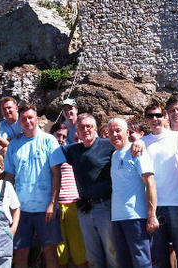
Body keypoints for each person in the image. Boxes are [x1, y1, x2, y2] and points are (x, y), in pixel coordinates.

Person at [3, 103, 65, 268]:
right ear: (20, 122)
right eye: (23, 119)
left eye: (30, 117)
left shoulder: (49, 141)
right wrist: (6, 204)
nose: (27, 121)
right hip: (20, 209)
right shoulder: (13, 145)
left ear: (37, 119)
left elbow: (57, 174)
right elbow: (8, 176)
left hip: (46, 208)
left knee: (50, 251)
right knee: (20, 252)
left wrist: (53, 203)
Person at [60, 113, 118, 267]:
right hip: (85, 209)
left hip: (106, 206)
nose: (85, 130)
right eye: (81, 127)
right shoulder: (72, 150)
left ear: (96, 128)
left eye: (89, 126)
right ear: (77, 131)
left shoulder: (108, 145)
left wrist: (139, 143)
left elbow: (126, 144)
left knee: (112, 252)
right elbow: (50, 150)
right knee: (92, 255)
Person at [142, 100, 178, 268]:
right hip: (153, 206)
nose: (155, 119)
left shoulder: (177, 137)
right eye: (150, 116)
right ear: (146, 119)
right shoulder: (142, 142)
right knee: (159, 256)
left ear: (165, 117)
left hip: (176, 203)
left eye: (158, 115)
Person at [108, 118, 158, 268]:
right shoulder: (114, 155)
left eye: (118, 131)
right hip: (117, 217)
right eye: (111, 132)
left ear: (127, 132)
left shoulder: (137, 151)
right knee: (124, 263)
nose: (114, 134)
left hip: (136, 217)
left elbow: (150, 183)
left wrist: (152, 215)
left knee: (142, 263)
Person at [50, 122, 88, 268]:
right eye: (58, 135)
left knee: (78, 245)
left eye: (64, 137)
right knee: (60, 249)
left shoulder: (71, 152)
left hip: (73, 202)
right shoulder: (47, 154)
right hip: (56, 204)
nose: (60, 139)